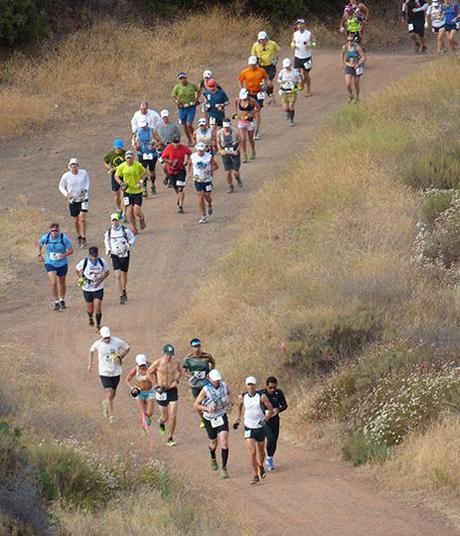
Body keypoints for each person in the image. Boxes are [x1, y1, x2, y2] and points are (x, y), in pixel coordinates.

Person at [234, 376, 275, 485]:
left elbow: (270, 410)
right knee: (252, 452)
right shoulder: (242, 397)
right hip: (248, 427)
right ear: (246, 385)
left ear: (255, 386)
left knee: (261, 452)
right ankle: (255, 475)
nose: (250, 387)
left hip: (260, 428)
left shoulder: (261, 397)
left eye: (252, 384)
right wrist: (238, 418)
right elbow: (239, 407)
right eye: (249, 384)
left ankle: (260, 466)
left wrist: (265, 420)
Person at [194, 369, 232, 479]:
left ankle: (224, 467)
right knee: (213, 444)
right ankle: (212, 457)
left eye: (218, 380)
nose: (217, 382)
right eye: (215, 380)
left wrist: (229, 403)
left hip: (221, 416)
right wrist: (207, 408)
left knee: (224, 442)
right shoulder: (205, 390)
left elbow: (229, 393)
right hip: (209, 419)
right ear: (210, 380)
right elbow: (196, 405)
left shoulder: (224, 385)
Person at [88, 326, 130, 425]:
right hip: (104, 372)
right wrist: (90, 364)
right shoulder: (98, 344)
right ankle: (112, 416)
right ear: (101, 337)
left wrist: (121, 356)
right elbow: (91, 351)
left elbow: (127, 347)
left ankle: (106, 403)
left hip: (116, 371)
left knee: (112, 395)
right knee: (109, 392)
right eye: (105, 338)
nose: (107, 339)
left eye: (108, 337)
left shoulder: (116, 341)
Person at [147, 344, 182, 447]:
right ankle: (161, 422)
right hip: (161, 391)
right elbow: (149, 372)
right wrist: (156, 384)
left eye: (171, 355)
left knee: (173, 415)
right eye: (168, 354)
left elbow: (181, 372)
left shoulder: (176, 362)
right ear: (164, 353)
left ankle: (170, 438)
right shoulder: (158, 362)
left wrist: (177, 380)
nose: (169, 357)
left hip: (172, 390)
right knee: (165, 417)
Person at [38, 223, 73, 310]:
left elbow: (71, 250)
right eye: (52, 230)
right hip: (50, 262)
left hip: (62, 263)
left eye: (56, 230)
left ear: (59, 230)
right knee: (53, 282)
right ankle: (56, 301)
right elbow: (40, 243)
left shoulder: (63, 238)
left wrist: (64, 255)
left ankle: (62, 299)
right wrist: (39, 254)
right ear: (50, 231)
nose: (54, 232)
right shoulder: (46, 237)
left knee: (62, 283)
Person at [104, 212, 135, 305]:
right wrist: (108, 249)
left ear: (119, 220)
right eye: (113, 220)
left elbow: (132, 238)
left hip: (125, 254)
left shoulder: (125, 230)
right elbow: (106, 241)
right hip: (115, 255)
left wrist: (128, 245)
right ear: (111, 221)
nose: (115, 222)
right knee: (117, 275)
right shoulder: (108, 232)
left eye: (116, 220)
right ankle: (121, 295)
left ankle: (124, 289)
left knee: (124, 274)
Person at [76, 246, 110, 331]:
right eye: (92, 256)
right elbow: (77, 269)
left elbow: (107, 272)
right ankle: (90, 317)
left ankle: (98, 325)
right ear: (89, 255)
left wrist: (100, 281)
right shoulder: (84, 262)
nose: (94, 257)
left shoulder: (102, 262)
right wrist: (81, 278)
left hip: (98, 287)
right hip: (87, 288)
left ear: (97, 254)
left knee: (98, 306)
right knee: (90, 308)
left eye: (95, 255)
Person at [58, 158, 90, 248]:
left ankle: (84, 237)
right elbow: (60, 186)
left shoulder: (83, 173)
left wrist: (86, 189)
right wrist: (66, 194)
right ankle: (79, 236)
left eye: (75, 165)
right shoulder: (66, 176)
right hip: (73, 200)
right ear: (69, 167)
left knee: (82, 218)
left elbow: (87, 181)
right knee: (76, 220)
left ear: (78, 166)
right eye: (72, 166)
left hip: (83, 198)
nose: (74, 167)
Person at [114, 150, 147, 235]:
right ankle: (134, 228)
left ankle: (141, 218)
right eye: (127, 158)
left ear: (133, 158)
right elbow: (116, 176)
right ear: (125, 158)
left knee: (136, 210)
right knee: (129, 210)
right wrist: (121, 183)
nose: (129, 160)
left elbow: (145, 174)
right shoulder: (122, 166)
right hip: (127, 192)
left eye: (130, 158)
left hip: (137, 191)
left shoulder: (138, 165)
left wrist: (140, 182)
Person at [261, 376, 288, 471]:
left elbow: (285, 405)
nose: (272, 389)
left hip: (275, 420)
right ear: (266, 386)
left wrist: (278, 409)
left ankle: (270, 458)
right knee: (271, 439)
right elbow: (250, 396)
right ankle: (268, 458)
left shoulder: (279, 393)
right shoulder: (261, 393)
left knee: (275, 440)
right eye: (270, 387)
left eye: (274, 387)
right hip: (265, 421)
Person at [189, 142, 219, 224]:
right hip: (197, 179)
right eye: (199, 150)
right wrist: (189, 173)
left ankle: (209, 204)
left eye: (202, 150)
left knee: (207, 196)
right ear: (196, 150)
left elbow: (216, 166)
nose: (200, 152)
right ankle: (203, 215)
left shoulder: (208, 157)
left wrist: (209, 170)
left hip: (207, 180)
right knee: (200, 197)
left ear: (204, 150)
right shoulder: (193, 156)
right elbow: (190, 164)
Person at [161, 135, 192, 214]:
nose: (176, 144)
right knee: (176, 188)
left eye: (177, 142)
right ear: (172, 142)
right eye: (174, 142)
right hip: (171, 171)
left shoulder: (183, 147)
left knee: (180, 188)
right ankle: (179, 197)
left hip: (181, 170)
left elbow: (189, 152)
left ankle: (181, 206)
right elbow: (163, 158)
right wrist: (170, 162)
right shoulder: (168, 148)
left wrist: (186, 160)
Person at [125, 353, 155, 431]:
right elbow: (127, 380)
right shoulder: (135, 369)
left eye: (143, 364)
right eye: (140, 364)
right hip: (139, 392)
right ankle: (144, 428)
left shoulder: (151, 366)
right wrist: (132, 387)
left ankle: (148, 417)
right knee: (142, 412)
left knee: (150, 412)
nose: (142, 366)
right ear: (137, 363)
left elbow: (158, 374)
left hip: (150, 391)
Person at [238, 57, 266, 140]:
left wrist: (264, 84)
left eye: (254, 64)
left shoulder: (261, 71)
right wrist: (242, 89)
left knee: (257, 112)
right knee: (248, 112)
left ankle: (256, 132)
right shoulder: (245, 72)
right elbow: (240, 80)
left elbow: (265, 78)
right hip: (249, 93)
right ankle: (249, 127)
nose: (252, 66)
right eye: (251, 64)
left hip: (259, 93)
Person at [250, 31, 280, 105]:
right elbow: (253, 55)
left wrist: (276, 58)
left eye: (263, 39)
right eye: (260, 40)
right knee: (264, 84)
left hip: (271, 66)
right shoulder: (255, 45)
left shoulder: (272, 43)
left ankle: (271, 97)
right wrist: (256, 61)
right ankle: (271, 97)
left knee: (269, 82)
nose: (262, 41)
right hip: (261, 66)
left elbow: (278, 50)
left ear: (266, 38)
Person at [132, 118, 161, 197]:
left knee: (151, 170)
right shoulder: (137, 131)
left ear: (147, 124)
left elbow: (160, 141)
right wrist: (135, 146)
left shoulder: (153, 131)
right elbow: (133, 141)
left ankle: (153, 184)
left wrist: (154, 146)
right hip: (142, 154)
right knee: (143, 171)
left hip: (152, 154)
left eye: (144, 126)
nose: (143, 127)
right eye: (142, 126)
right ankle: (144, 188)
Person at [172, 72, 200, 146]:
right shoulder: (177, 87)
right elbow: (174, 96)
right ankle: (189, 140)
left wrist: (197, 98)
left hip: (191, 107)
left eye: (184, 78)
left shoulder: (191, 85)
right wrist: (177, 102)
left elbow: (198, 90)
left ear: (186, 78)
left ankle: (195, 138)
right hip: (182, 108)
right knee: (184, 125)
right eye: (180, 78)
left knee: (189, 124)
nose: (182, 80)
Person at [291, 18, 316, 97]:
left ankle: (308, 89)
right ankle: (301, 82)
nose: (300, 25)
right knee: (296, 73)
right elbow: (292, 42)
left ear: (304, 25)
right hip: (297, 56)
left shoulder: (308, 33)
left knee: (306, 74)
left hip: (307, 57)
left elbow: (314, 41)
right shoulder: (295, 34)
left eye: (301, 24)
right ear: (297, 25)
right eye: (298, 24)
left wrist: (311, 45)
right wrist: (292, 45)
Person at [217, 118, 243, 193]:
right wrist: (220, 150)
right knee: (228, 171)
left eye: (228, 127)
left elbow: (241, 141)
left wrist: (237, 150)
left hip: (234, 150)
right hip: (225, 151)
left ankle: (237, 178)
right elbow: (218, 142)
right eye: (225, 127)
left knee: (235, 172)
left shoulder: (235, 132)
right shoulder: (219, 133)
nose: (226, 129)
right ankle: (230, 186)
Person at [103, 138, 126, 213]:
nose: (118, 149)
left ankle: (124, 209)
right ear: (114, 147)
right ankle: (118, 208)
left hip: (124, 174)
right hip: (114, 175)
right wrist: (109, 167)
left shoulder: (125, 153)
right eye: (117, 148)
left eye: (120, 147)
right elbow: (105, 161)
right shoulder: (111, 154)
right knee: (116, 193)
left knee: (124, 192)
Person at [341, 35, 366, 103]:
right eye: (348, 40)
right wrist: (344, 64)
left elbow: (364, 57)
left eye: (351, 40)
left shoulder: (357, 47)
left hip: (357, 67)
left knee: (356, 84)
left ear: (354, 41)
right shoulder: (345, 47)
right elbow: (343, 56)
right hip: (349, 66)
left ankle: (357, 97)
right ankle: (351, 95)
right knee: (348, 84)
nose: (349, 42)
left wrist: (358, 64)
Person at [277, 58, 302, 126]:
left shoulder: (295, 72)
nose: (287, 67)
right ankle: (287, 113)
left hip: (292, 92)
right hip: (284, 91)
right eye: (286, 66)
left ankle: (291, 120)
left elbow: (299, 80)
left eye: (288, 66)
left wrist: (297, 83)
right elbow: (278, 80)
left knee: (291, 105)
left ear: (290, 65)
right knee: (285, 107)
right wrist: (282, 81)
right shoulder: (282, 72)